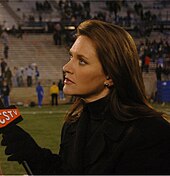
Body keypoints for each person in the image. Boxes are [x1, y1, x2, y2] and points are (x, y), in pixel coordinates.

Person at [1, 20, 170, 175]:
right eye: (71, 56)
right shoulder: (73, 124)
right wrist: (34, 155)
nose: (66, 67)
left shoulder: (151, 133)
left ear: (110, 76)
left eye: (82, 61)